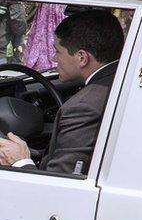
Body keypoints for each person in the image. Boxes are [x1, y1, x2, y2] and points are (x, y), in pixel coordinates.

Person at [0, 9, 124, 175]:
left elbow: (60, 183)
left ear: (82, 57)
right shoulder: (118, 81)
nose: (53, 59)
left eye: (58, 51)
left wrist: (20, 162)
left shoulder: (82, 108)